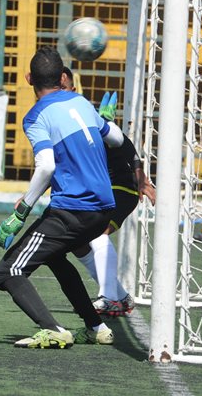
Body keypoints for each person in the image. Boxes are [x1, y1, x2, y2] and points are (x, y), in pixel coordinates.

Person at [0, 47, 125, 349]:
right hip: (104, 210)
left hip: (73, 210)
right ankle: (96, 326)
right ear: (63, 77)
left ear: (29, 78)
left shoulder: (37, 115)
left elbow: (47, 165)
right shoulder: (81, 102)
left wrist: (22, 209)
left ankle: (53, 329)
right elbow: (115, 139)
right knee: (53, 254)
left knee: (9, 271)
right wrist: (104, 121)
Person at [60, 69, 155, 317]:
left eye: (67, 87)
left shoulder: (84, 115)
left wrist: (141, 179)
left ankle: (108, 298)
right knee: (78, 243)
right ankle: (120, 296)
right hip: (97, 191)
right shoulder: (57, 119)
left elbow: (127, 147)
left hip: (120, 189)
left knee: (97, 233)